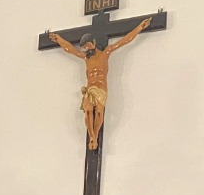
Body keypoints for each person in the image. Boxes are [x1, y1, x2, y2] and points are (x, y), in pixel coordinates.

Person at [47, 16, 152, 150]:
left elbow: (124, 41)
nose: (86, 48)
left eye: (88, 45)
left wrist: (139, 27)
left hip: (101, 88)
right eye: (85, 47)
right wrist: (59, 39)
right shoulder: (86, 57)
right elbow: (70, 49)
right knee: (88, 111)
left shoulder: (105, 53)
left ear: (94, 42)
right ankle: (92, 136)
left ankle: (95, 136)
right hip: (90, 88)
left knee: (98, 113)